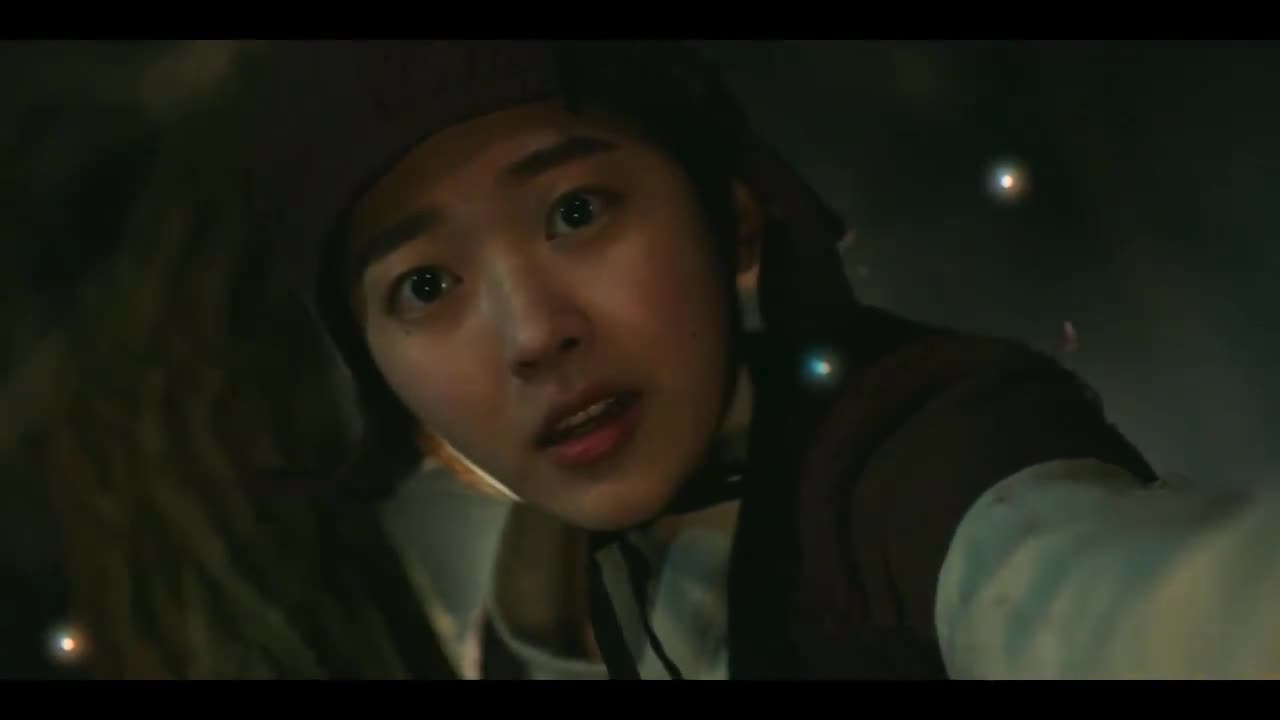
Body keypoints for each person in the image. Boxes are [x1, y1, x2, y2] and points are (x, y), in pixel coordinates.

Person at [245, 41, 1280, 679]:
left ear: (730, 216)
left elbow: (1112, 605)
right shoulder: (539, 619)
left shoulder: (912, 464)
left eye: (577, 211)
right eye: (426, 286)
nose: (533, 335)